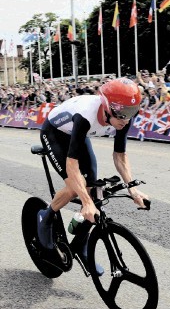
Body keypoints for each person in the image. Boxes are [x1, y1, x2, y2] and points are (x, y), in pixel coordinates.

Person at [37, 77, 149, 276]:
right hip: (55, 133)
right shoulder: (86, 115)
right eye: (122, 114)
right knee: (75, 188)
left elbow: (120, 156)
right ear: (107, 108)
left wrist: (133, 189)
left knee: (94, 190)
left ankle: (80, 244)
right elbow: (72, 164)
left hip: (78, 134)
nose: (126, 119)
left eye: (132, 113)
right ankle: (46, 217)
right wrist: (85, 201)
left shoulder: (123, 115)